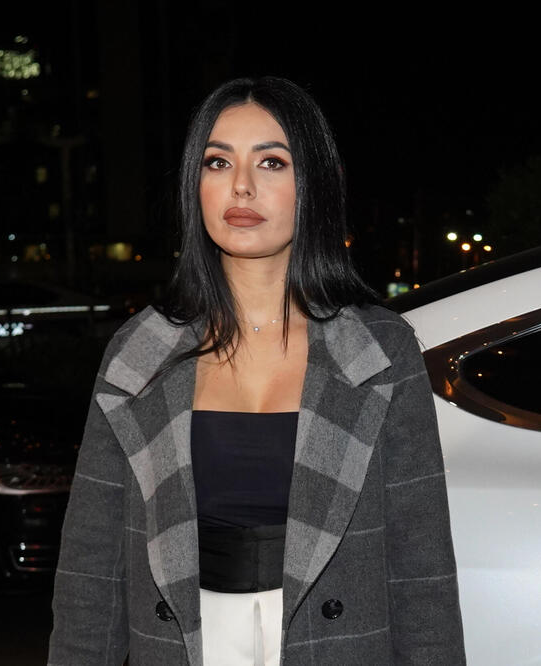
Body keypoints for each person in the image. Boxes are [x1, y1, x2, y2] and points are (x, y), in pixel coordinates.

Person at [48, 76, 465, 665]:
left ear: (315, 185)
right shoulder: (139, 355)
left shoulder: (378, 352)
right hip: (183, 646)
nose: (240, 185)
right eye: (218, 162)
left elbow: (421, 569)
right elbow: (91, 571)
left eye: (271, 162)